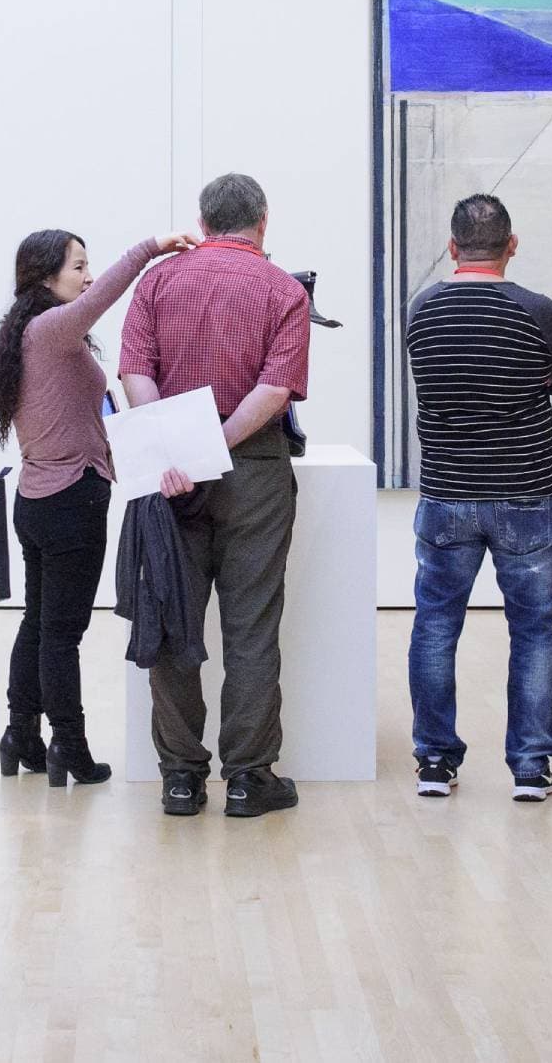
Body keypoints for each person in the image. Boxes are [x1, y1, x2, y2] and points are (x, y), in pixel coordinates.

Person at [120, 173, 314, 819]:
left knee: (173, 620)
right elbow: (274, 391)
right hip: (253, 470)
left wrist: (175, 448)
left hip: (172, 474)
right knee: (251, 625)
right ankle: (247, 778)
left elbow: (135, 373)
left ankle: (179, 777)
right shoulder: (283, 289)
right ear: (262, 221)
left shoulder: (158, 282)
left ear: (203, 224)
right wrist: (216, 447)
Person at [0, 228, 196, 786]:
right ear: (46, 277)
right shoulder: (52, 330)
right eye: (78, 267)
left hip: (36, 501)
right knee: (62, 634)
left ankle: (22, 735)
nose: (89, 276)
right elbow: (106, 295)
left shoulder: (29, 334)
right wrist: (153, 247)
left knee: (39, 624)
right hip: (71, 501)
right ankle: (69, 748)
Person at [404, 194, 552, 803]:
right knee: (533, 631)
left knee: (434, 625)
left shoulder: (422, 310)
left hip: (446, 493)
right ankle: (530, 767)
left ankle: (434, 762)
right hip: (526, 493)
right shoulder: (536, 310)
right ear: (512, 245)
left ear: (452, 247)